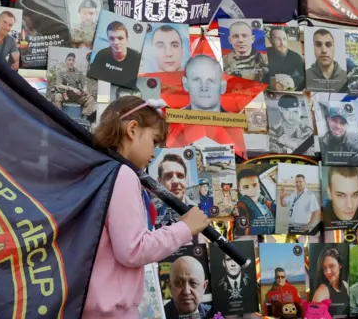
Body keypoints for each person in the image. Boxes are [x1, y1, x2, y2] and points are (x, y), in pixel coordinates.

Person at [83, 96, 210, 319]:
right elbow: (133, 249)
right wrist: (185, 228)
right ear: (132, 129)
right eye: (154, 141)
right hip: (113, 311)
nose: (155, 152)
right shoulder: (122, 175)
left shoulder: (99, 171)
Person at [89, 21, 141, 85]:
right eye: (112, 38)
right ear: (108, 40)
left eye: (120, 38)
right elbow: (92, 80)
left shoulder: (136, 58)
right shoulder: (101, 55)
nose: (116, 42)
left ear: (127, 39)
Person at [50, 53, 95, 119]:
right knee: (57, 97)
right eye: (69, 60)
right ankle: (58, 117)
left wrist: (85, 89)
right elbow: (59, 85)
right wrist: (72, 88)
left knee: (90, 99)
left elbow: (84, 84)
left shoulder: (79, 72)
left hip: (76, 96)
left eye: (73, 60)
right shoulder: (60, 72)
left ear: (74, 62)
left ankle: (84, 119)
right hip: (64, 94)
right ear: (66, 61)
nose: (71, 62)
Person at [234, 168, 276, 236]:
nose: (251, 190)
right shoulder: (241, 206)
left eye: (254, 185)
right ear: (240, 190)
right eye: (246, 187)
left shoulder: (265, 201)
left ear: (259, 186)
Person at [215, 248, 257, 314]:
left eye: (236, 259)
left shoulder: (251, 283)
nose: (233, 264)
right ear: (224, 263)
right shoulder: (217, 287)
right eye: (229, 260)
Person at [312, 246, 349, 317]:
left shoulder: (345, 285)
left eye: (331, 266)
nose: (328, 272)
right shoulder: (322, 292)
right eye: (324, 268)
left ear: (340, 265)